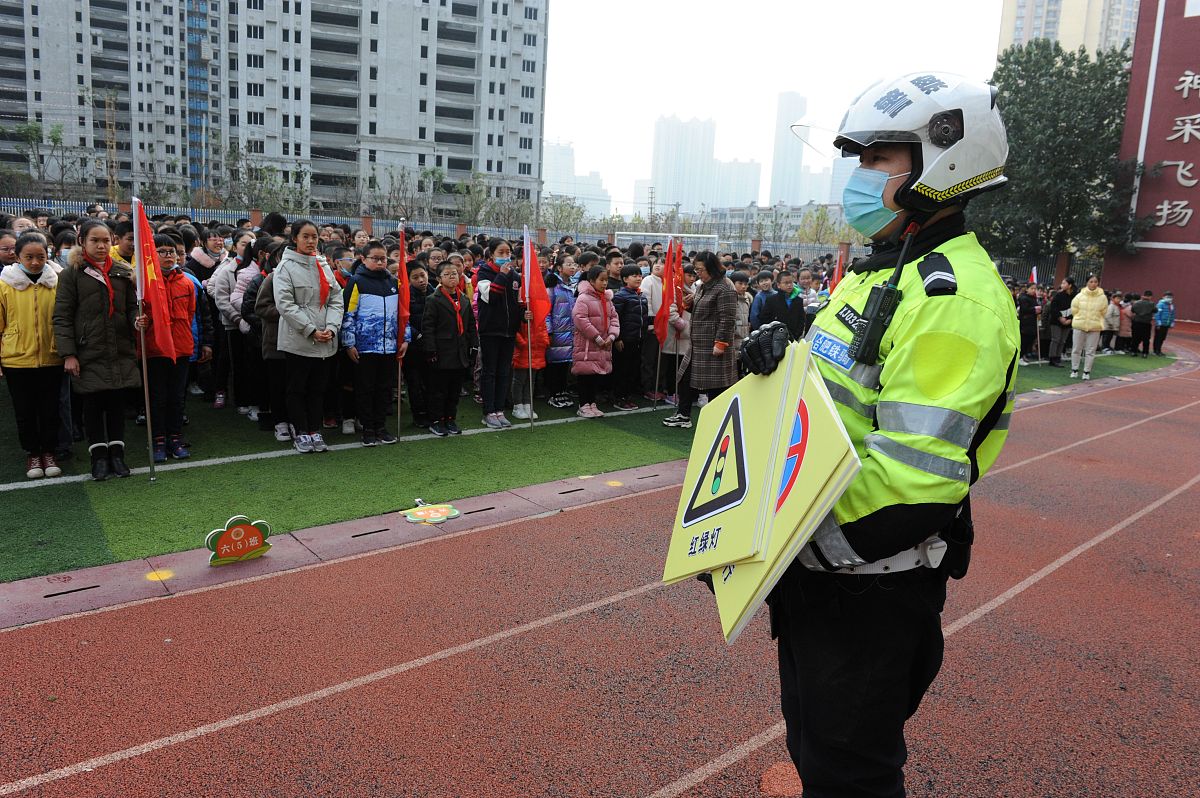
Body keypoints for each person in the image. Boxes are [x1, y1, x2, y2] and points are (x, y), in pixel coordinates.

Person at [738, 73, 1020, 797]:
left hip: (866, 584)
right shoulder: (883, 269)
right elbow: (840, 393)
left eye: (878, 160)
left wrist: (791, 546)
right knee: (812, 745)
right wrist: (780, 350)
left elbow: (915, 484)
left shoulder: (954, 300)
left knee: (851, 773)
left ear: (942, 164)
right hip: (821, 572)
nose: (860, 178)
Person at [53, 219, 147, 480]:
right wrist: (68, 354)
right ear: (81, 241)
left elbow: (130, 307)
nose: (101, 245)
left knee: (116, 404)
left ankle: (117, 455)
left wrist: (136, 320)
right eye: (94, 240)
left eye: (106, 240)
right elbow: (62, 316)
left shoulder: (122, 271)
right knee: (93, 404)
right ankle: (98, 459)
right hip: (88, 350)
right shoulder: (71, 273)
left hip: (119, 349)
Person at [273, 219, 344, 453]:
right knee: (297, 387)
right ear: (295, 238)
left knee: (318, 388)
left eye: (314, 236)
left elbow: (336, 299)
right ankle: (301, 431)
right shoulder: (285, 267)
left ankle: (315, 429)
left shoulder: (322, 264)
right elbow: (285, 304)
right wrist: (311, 330)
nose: (311, 241)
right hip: (298, 339)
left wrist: (331, 329)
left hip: (326, 337)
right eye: (305, 236)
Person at [1, 233, 65, 479]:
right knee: (25, 411)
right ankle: (32, 454)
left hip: (52, 356)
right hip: (16, 359)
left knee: (50, 409)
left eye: (41, 257)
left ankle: (49, 452)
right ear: (17, 257)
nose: (36, 262)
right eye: (29, 257)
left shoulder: (57, 282)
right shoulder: (4, 284)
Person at [663, 251, 737, 429]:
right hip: (698, 343)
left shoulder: (725, 287)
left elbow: (727, 318)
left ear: (711, 268)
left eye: (701, 270)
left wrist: (720, 343)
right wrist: (691, 303)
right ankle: (683, 414)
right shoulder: (704, 285)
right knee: (685, 377)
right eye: (696, 270)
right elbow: (705, 309)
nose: (698, 274)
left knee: (715, 385)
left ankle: (717, 421)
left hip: (713, 344)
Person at [341, 240, 405, 447]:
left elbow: (403, 315)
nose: (380, 262)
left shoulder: (394, 282)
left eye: (383, 259)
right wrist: (349, 343)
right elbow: (348, 314)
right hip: (365, 347)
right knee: (365, 388)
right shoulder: (356, 282)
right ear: (363, 259)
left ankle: (381, 426)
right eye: (375, 258)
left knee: (384, 389)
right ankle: (368, 428)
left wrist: (405, 339)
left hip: (389, 347)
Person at [422, 259, 477, 436]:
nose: (452, 277)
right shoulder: (433, 300)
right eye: (447, 274)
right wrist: (430, 350)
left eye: (454, 273)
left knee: (454, 389)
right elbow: (428, 327)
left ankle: (450, 419)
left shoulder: (463, 299)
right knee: (439, 389)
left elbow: (470, 325)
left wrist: (473, 346)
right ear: (439, 278)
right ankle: (436, 420)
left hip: (460, 351)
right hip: (441, 351)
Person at [475, 240, 523, 429]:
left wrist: (523, 315)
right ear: (492, 254)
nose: (505, 256)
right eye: (501, 253)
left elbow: (516, 302)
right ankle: (488, 411)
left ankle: (499, 410)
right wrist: (502, 276)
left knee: (504, 372)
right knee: (490, 371)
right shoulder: (484, 273)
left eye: (508, 253)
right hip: (490, 330)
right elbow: (491, 297)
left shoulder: (515, 276)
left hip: (509, 331)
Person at [571, 265, 619, 418]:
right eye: (601, 280)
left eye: (606, 280)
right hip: (587, 345)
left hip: (602, 345)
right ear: (591, 280)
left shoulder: (607, 299)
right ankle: (583, 404)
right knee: (585, 375)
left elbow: (614, 319)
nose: (605, 283)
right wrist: (597, 337)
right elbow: (580, 319)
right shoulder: (583, 298)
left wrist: (611, 337)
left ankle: (592, 403)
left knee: (596, 374)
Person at [611, 262, 648, 411]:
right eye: (634, 275)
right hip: (625, 340)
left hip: (638, 339)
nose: (638, 278)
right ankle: (619, 397)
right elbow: (615, 319)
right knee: (622, 370)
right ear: (625, 279)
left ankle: (627, 396)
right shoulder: (620, 296)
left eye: (640, 275)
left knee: (633, 369)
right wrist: (618, 338)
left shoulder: (641, 296)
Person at [544, 257, 577, 409]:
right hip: (557, 332)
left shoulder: (573, 285)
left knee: (565, 364)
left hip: (570, 332)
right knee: (554, 365)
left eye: (574, 264)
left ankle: (562, 391)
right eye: (568, 264)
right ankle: (553, 393)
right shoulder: (552, 286)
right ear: (559, 267)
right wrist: (549, 331)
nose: (572, 267)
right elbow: (546, 311)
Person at [1069, 274, 1106, 380]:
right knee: (1076, 349)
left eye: (1095, 282)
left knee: (1090, 350)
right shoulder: (1079, 296)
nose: (1093, 284)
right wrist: (1080, 318)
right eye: (1091, 281)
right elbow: (1074, 309)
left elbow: (1104, 311)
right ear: (1087, 282)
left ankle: (1086, 371)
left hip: (1095, 327)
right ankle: (1074, 370)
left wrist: (1096, 320)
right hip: (1079, 325)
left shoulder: (1102, 297)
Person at [758, 270, 808, 341]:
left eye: (791, 282)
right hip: (775, 338)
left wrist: (797, 335)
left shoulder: (798, 300)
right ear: (778, 285)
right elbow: (764, 318)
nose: (789, 285)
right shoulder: (772, 300)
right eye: (786, 283)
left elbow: (801, 319)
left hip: (793, 337)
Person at [1045, 276, 1075, 367]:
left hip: (1068, 322)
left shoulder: (1074, 297)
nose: (1062, 285)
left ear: (1070, 285)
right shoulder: (1058, 295)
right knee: (1056, 339)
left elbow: (1076, 309)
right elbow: (1053, 309)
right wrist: (1060, 318)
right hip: (1056, 321)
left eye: (1064, 283)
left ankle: (1058, 357)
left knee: (1062, 341)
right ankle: (1052, 358)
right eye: (1062, 283)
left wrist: (1070, 319)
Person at [1016, 283, 1040, 364]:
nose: (1034, 290)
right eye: (1032, 288)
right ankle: (1019, 357)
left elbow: (1037, 308)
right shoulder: (1023, 298)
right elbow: (1025, 309)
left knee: (1030, 340)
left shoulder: (1034, 298)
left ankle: (1023, 355)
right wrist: (1034, 309)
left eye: (1035, 289)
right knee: (1024, 340)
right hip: (1025, 323)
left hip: (1032, 323)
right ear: (1027, 289)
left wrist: (1039, 310)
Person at [1129, 290, 1156, 358]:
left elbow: (1132, 310)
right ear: (1150, 296)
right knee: (1146, 339)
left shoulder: (1136, 303)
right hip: (1146, 323)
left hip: (1136, 322)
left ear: (1143, 295)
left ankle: (1133, 351)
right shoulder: (1151, 304)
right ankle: (1145, 353)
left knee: (1135, 338)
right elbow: (1155, 310)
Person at [1153, 291, 1176, 355]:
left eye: (1170, 297)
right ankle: (1156, 350)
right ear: (1163, 297)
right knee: (1158, 337)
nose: (1169, 298)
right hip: (1160, 324)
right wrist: (1158, 322)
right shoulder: (1160, 304)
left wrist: (1172, 322)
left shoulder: (1171, 305)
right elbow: (1157, 314)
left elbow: (1172, 314)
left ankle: (1159, 350)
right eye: (1168, 297)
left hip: (1166, 324)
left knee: (1162, 338)